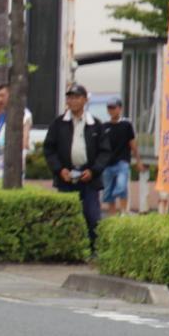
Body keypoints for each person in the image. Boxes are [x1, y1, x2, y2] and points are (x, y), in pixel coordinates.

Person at [43, 83, 110, 250]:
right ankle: (68, 249)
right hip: (66, 177)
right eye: (70, 97)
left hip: (88, 178)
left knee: (92, 216)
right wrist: (59, 170)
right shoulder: (58, 124)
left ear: (85, 100)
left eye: (76, 97)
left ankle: (94, 249)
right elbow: (49, 149)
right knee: (66, 217)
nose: (72, 101)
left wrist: (93, 171)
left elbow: (105, 152)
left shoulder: (95, 124)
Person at [101, 97, 144, 216]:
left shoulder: (126, 125)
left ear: (120, 109)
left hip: (122, 161)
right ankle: (112, 215)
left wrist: (138, 161)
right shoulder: (104, 127)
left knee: (121, 185)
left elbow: (133, 144)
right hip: (107, 163)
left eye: (113, 107)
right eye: (109, 108)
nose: (111, 110)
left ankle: (124, 211)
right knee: (108, 191)